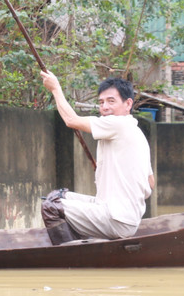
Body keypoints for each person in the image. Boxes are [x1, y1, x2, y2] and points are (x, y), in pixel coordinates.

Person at [39, 71, 155, 245]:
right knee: (57, 196)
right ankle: (80, 242)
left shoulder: (119, 123)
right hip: (120, 215)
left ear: (128, 104)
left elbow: (71, 120)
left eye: (111, 101)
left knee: (50, 207)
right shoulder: (136, 133)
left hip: (117, 219)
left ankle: (69, 256)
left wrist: (55, 88)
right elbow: (150, 183)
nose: (105, 107)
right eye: (101, 102)